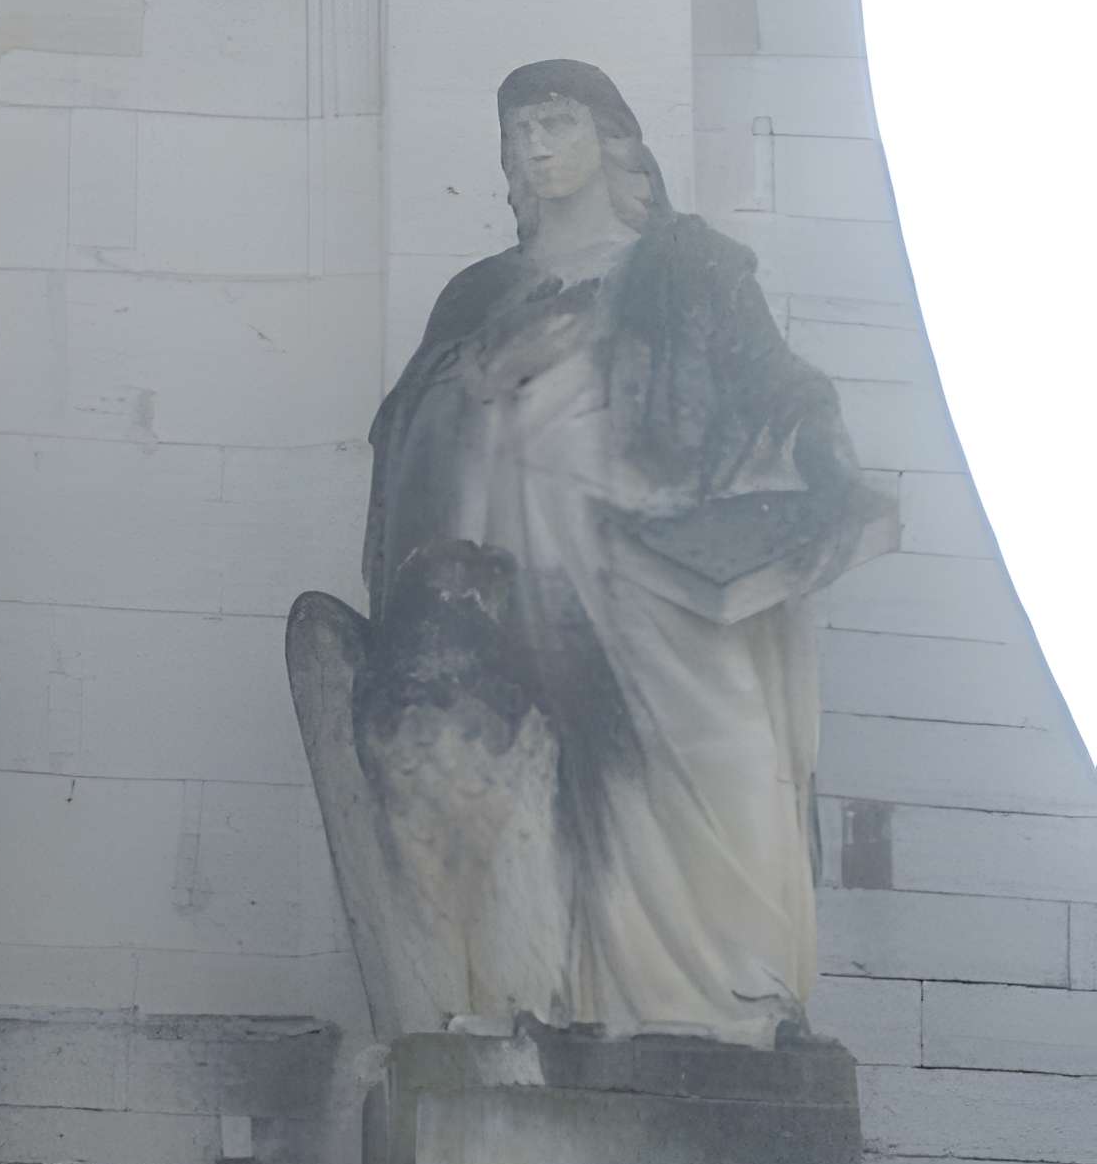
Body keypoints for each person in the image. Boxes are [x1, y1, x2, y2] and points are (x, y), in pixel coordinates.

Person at [292, 59, 875, 1048]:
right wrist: (479, 380)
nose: (535, 149)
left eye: (556, 123)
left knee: (715, 754)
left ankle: (727, 1000)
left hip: (662, 568)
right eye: (517, 133)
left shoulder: (686, 264)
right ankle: (558, 998)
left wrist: (832, 480)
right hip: (522, 565)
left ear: (612, 139)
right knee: (537, 766)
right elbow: (405, 441)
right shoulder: (479, 293)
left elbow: (778, 391)